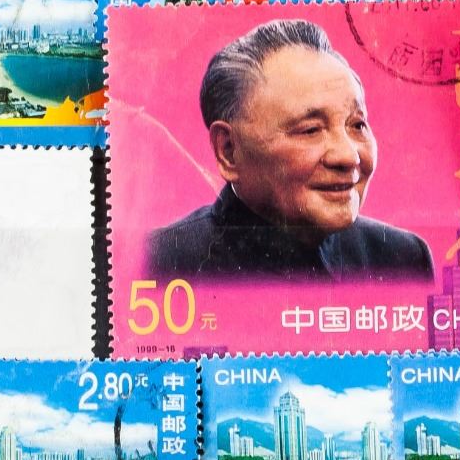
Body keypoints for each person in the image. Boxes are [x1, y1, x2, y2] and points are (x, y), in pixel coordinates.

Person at [146, 18, 433, 283]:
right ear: (229, 151)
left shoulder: (401, 258)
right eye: (311, 130)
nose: (349, 156)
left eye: (357, 125)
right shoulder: (158, 263)